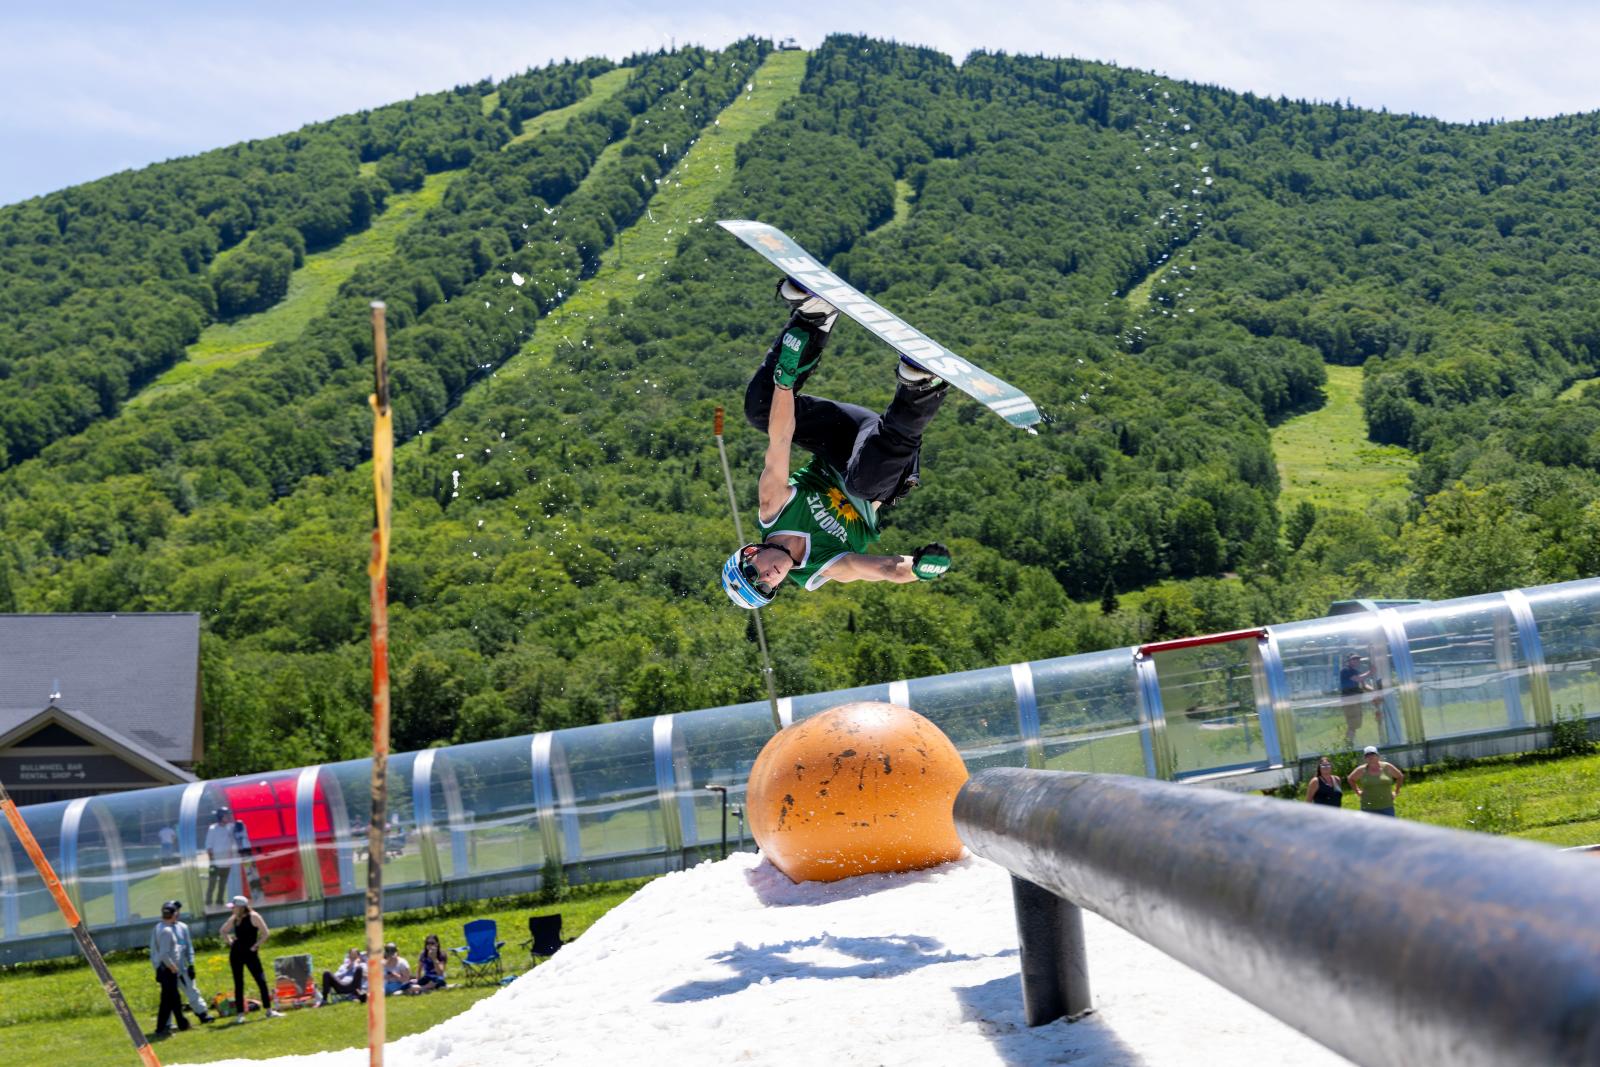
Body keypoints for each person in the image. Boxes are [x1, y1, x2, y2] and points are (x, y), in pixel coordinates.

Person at [721, 279, 953, 608]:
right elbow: (883, 569)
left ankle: (814, 317)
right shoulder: (820, 568)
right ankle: (921, 389)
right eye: (766, 588)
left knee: (761, 410)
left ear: (751, 552)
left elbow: (781, 438)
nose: (768, 577)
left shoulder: (773, 507)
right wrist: (918, 570)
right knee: (862, 484)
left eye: (753, 574)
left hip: (845, 436)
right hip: (885, 465)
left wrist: (784, 381)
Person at [219, 895, 282, 1022]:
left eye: (234, 907)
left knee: (261, 980)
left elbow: (266, 933)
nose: (232, 909)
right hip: (236, 954)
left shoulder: (254, 916)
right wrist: (231, 943)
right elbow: (223, 931)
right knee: (238, 983)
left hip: (250, 953)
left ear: (241, 907)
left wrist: (256, 946)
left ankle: (269, 1010)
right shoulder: (234, 918)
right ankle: (240, 1014)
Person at [149, 899, 213, 1024]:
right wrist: (157, 968)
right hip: (167, 969)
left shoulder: (182, 927)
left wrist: (191, 964)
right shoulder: (159, 928)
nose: (177, 913)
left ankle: (202, 1013)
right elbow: (155, 951)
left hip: (182, 968)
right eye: (174, 910)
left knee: (192, 990)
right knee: (168, 997)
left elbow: (188, 947)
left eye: (177, 910)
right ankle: (167, 1023)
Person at [150, 903, 190, 1038]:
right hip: (168, 970)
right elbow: (164, 954)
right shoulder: (167, 931)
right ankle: (160, 1029)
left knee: (175, 999)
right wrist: (173, 968)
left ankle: (182, 1024)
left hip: (166, 970)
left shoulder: (160, 927)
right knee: (167, 1001)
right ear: (174, 915)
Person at [1347, 745, 1405, 816]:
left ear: (1378, 756)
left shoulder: (1386, 766)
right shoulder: (1361, 770)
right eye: (1367, 755)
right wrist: (1357, 791)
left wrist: (1396, 791)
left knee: (1389, 823)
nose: (1370, 757)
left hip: (1387, 806)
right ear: (1365, 758)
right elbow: (1350, 779)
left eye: (1372, 754)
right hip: (1368, 807)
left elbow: (1400, 776)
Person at [1338, 654, 1378, 748]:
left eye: (1358, 659)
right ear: (1348, 661)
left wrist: (1376, 691)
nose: (1357, 661)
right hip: (1349, 700)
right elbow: (1357, 679)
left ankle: (1349, 744)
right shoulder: (1345, 670)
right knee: (1352, 724)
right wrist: (1370, 672)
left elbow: (1364, 685)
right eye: (1354, 659)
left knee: (1355, 724)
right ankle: (1348, 745)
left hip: (1356, 700)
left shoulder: (1356, 671)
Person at [203, 808, 241, 907]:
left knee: (222, 884)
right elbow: (208, 846)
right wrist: (212, 861)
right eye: (226, 815)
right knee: (212, 884)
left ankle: (219, 902)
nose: (228, 817)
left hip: (226, 862)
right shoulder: (213, 828)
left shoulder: (230, 827)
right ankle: (208, 902)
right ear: (220, 817)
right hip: (215, 862)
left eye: (228, 815)